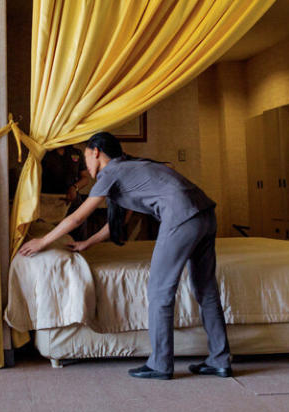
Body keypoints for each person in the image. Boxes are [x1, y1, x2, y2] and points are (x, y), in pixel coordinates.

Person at [18, 131, 231, 381]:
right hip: (205, 214)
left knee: (159, 291)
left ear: (95, 152)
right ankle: (220, 360)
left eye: (86, 158)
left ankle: (161, 364)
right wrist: (88, 242)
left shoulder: (111, 172)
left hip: (181, 216)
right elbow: (117, 224)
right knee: (206, 289)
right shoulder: (131, 169)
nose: (86, 165)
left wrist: (42, 241)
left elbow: (77, 217)